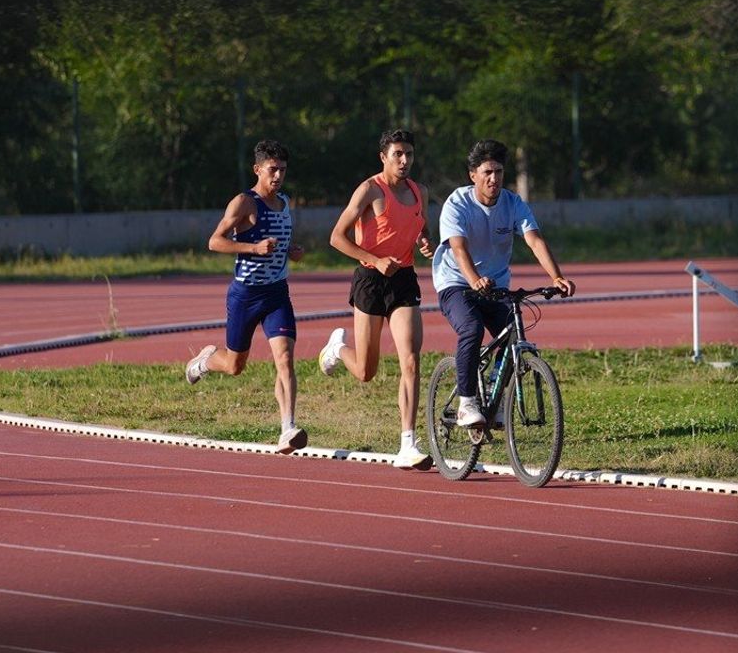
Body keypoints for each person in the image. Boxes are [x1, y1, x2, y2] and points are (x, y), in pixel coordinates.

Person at [431, 139, 576, 429]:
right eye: (487, 172)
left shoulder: (512, 203)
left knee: (516, 340)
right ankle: (467, 403)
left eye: (498, 171)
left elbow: (534, 240)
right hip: (457, 283)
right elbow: (458, 248)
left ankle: (496, 399)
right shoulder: (457, 203)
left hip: (494, 286)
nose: (493, 178)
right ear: (473, 174)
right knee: (471, 329)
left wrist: (556, 277)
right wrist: (474, 280)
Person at [319, 129, 435, 470]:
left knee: (410, 362)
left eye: (409, 154)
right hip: (370, 279)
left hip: (403, 279)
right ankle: (337, 349)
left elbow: (421, 228)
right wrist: (372, 258)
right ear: (383, 156)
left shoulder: (419, 192)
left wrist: (426, 242)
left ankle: (408, 444)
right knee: (366, 372)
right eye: (397, 154)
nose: (404, 161)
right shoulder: (370, 189)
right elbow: (336, 238)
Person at [185, 139, 308, 454]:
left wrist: (292, 252)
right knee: (234, 365)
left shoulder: (285, 202)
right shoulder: (244, 202)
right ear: (257, 169)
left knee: (285, 358)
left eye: (282, 170)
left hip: (277, 294)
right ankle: (203, 362)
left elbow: (281, 243)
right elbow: (214, 242)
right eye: (272, 170)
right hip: (245, 295)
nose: (277, 176)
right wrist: (253, 248)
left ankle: (288, 427)